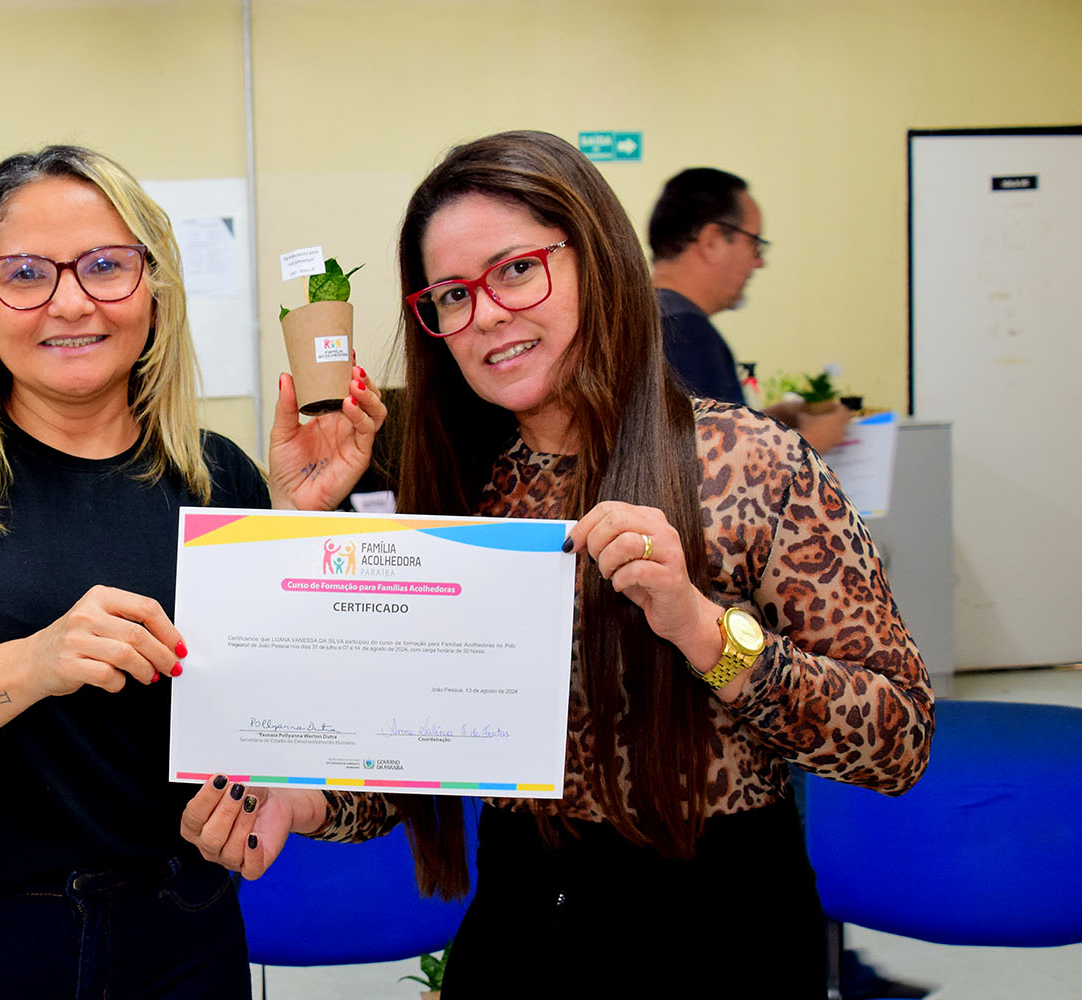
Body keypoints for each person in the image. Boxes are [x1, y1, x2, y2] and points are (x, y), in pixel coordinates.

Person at [181, 131, 933, 998]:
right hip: (522, 926)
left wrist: (700, 627)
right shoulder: (457, 486)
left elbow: (898, 740)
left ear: (596, 260)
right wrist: (300, 802)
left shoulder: (751, 463)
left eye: (515, 270)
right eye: (451, 295)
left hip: (720, 930)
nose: (488, 314)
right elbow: (409, 759)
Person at [0, 144, 382, 998]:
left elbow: (273, 711)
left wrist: (298, 527)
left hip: (175, 929)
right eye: (26, 273)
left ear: (154, 291)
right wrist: (33, 664)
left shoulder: (218, 479)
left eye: (108, 266)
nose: (71, 301)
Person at [649, 167, 851, 452]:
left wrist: (766, 422)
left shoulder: (646, 318)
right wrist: (812, 442)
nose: (760, 263)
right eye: (755, 244)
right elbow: (713, 472)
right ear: (712, 241)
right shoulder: (686, 335)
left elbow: (693, 435)